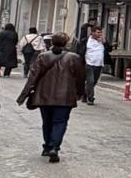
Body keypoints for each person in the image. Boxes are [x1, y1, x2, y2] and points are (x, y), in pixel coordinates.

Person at [16, 32, 87, 163]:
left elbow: (33, 77)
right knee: (60, 122)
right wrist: (80, 93)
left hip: (44, 95)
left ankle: (47, 146)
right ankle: (54, 147)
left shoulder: (43, 57)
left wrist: (24, 95)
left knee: (47, 122)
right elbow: (80, 78)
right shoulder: (74, 58)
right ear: (66, 43)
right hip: (65, 96)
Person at [81, 24, 106, 105]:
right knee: (90, 81)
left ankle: (85, 94)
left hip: (99, 64)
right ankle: (90, 98)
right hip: (89, 63)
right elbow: (81, 51)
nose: (100, 34)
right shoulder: (86, 40)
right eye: (98, 32)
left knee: (94, 81)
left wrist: (104, 43)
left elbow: (109, 49)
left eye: (101, 32)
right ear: (92, 33)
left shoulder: (103, 40)